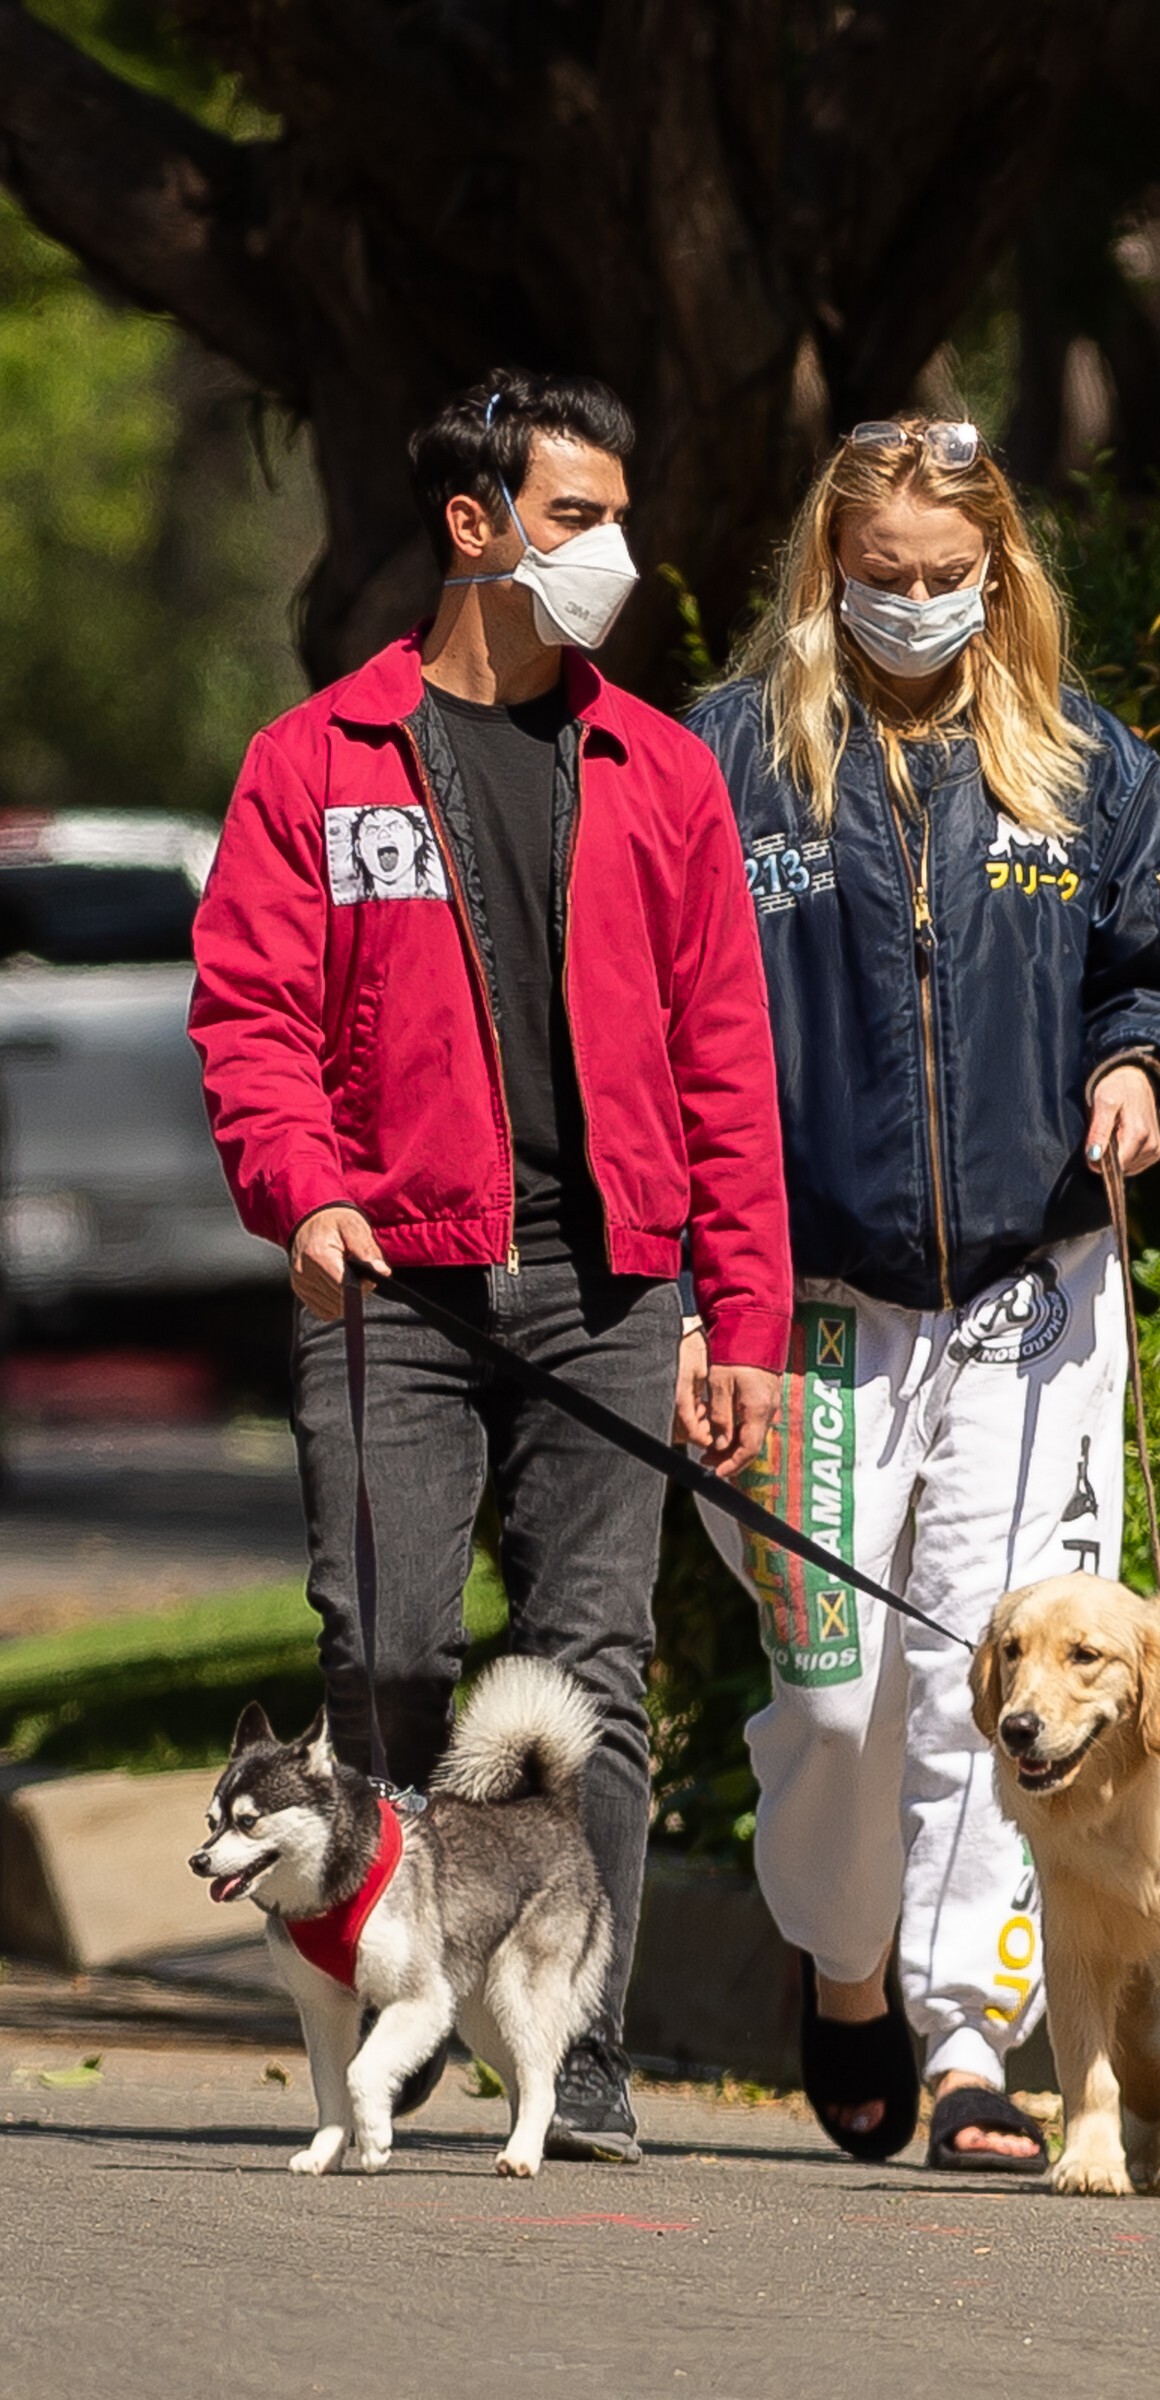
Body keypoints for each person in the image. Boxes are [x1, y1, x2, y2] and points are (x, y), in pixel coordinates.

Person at [190, 368, 791, 2162]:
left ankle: (574, 2042)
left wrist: (741, 1317)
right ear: (474, 524)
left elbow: (726, 1061)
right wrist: (304, 1192)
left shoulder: (661, 769)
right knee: (383, 1653)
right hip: (390, 1286)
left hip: (612, 1289)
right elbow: (251, 1017)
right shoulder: (318, 763)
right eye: (574, 517)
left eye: (618, 517)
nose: (614, 552)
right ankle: (409, 1980)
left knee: (591, 1668)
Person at [684, 416, 1160, 2170]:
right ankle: (845, 1971)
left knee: (988, 1681)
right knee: (834, 1688)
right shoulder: (727, 761)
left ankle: (968, 2043)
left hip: (1031, 1289)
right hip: (804, 1302)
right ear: (825, 571)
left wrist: (1141, 1064)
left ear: (999, 571)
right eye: (883, 576)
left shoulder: (1084, 759)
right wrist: (693, 1285)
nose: (915, 604)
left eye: (947, 577)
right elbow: (651, 1018)